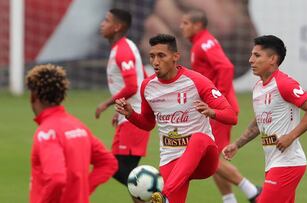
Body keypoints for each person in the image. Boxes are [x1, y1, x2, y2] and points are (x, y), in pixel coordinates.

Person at [115, 34, 238, 203]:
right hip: (172, 160)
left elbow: (231, 116)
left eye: (161, 56)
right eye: (152, 56)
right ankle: (166, 196)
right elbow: (147, 123)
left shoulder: (197, 81)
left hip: (204, 158)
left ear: (175, 57)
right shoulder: (148, 87)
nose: (155, 62)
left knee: (199, 138)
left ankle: (165, 194)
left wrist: (211, 112)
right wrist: (130, 114)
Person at [223, 35, 307, 203]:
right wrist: (237, 144)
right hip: (273, 163)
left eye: (256, 55)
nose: (250, 60)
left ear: (272, 59)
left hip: (288, 164)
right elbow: (258, 123)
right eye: (251, 55)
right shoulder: (258, 88)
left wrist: (290, 136)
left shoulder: (284, 84)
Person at [179, 9, 261, 203]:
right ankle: (230, 199)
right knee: (211, 157)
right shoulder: (199, 43)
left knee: (209, 158)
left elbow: (225, 67)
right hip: (214, 110)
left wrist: (219, 100)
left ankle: (254, 192)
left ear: (197, 25)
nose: (181, 27)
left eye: (185, 23)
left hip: (219, 111)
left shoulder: (204, 43)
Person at [27, 64, 118, 203]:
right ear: (61, 95)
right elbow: (108, 163)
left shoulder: (46, 133)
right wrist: (81, 192)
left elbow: (56, 178)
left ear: (33, 96)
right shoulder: (78, 126)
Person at [95, 9, 151, 202]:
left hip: (133, 118)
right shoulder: (125, 46)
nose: (102, 24)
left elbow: (132, 85)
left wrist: (106, 104)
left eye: (107, 20)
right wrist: (119, 109)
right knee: (130, 173)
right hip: (128, 115)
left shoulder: (123, 50)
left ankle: (158, 195)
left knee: (116, 168)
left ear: (117, 26)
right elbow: (142, 75)